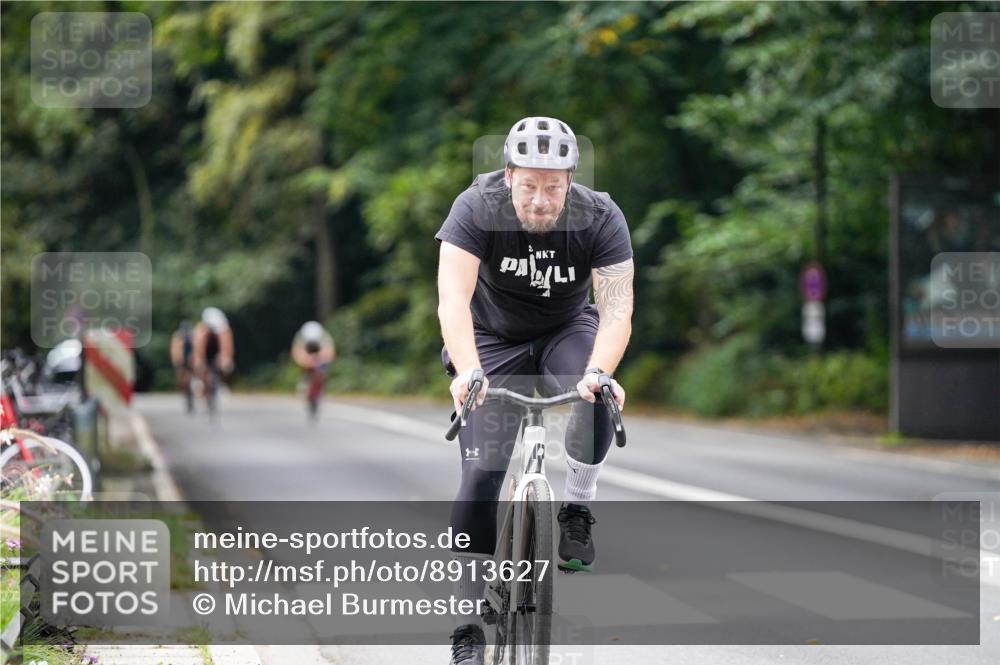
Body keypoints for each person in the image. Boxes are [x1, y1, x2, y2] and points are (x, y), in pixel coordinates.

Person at [436, 116, 633, 664]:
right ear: (508, 176)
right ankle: (467, 626)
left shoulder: (601, 216)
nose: (541, 199)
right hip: (489, 339)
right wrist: (468, 374)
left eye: (553, 186)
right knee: (480, 472)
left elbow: (617, 310)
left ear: (571, 180)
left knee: (596, 393)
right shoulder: (475, 208)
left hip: (565, 331)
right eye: (529, 185)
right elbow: (452, 300)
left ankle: (579, 504)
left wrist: (601, 371)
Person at [290, 320, 336, 420]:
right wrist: (306, 362)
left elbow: (330, 353)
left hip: (321, 359)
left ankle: (319, 391)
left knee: (321, 373)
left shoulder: (324, 337)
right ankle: (305, 384)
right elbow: (297, 353)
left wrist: (320, 362)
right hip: (306, 358)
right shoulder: (300, 337)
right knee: (306, 371)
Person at [192, 307, 235, 401]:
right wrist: (199, 361)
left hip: (216, 350)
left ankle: (221, 382)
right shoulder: (200, 331)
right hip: (205, 351)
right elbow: (199, 349)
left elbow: (227, 346)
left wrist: (226, 358)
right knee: (201, 368)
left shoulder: (224, 330)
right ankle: (200, 383)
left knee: (226, 366)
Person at [169, 321, 195, 412]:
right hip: (181, 361)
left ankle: (191, 394)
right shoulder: (178, 336)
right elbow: (175, 350)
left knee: (189, 379)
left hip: (190, 360)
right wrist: (177, 361)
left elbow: (197, 348)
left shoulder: (193, 336)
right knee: (181, 380)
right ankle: (186, 393)